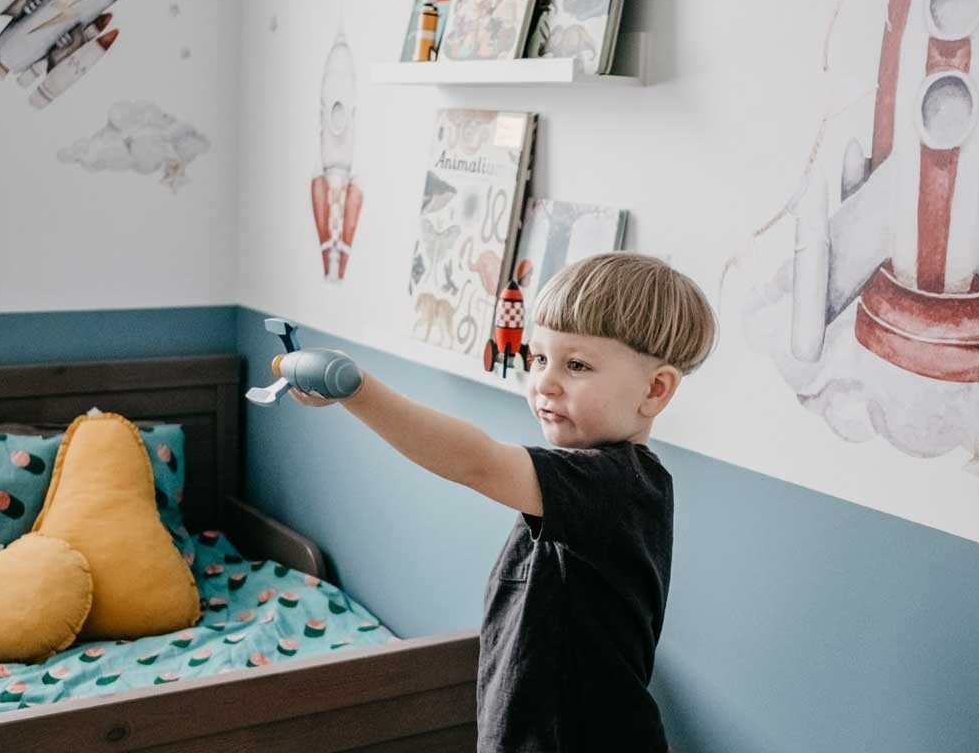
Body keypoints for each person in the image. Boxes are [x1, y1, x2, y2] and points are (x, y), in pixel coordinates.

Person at [287, 251, 716, 753]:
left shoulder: (615, 487)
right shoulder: (584, 481)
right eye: (538, 358)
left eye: (576, 365)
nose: (545, 383)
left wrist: (358, 392)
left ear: (655, 389)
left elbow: (477, 461)